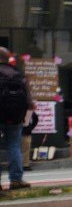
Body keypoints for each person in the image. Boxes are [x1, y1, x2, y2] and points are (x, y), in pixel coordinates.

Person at [0, 46, 34, 189]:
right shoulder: (18, 74)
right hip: (15, 117)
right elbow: (30, 100)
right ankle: (16, 180)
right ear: (8, 58)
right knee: (14, 146)